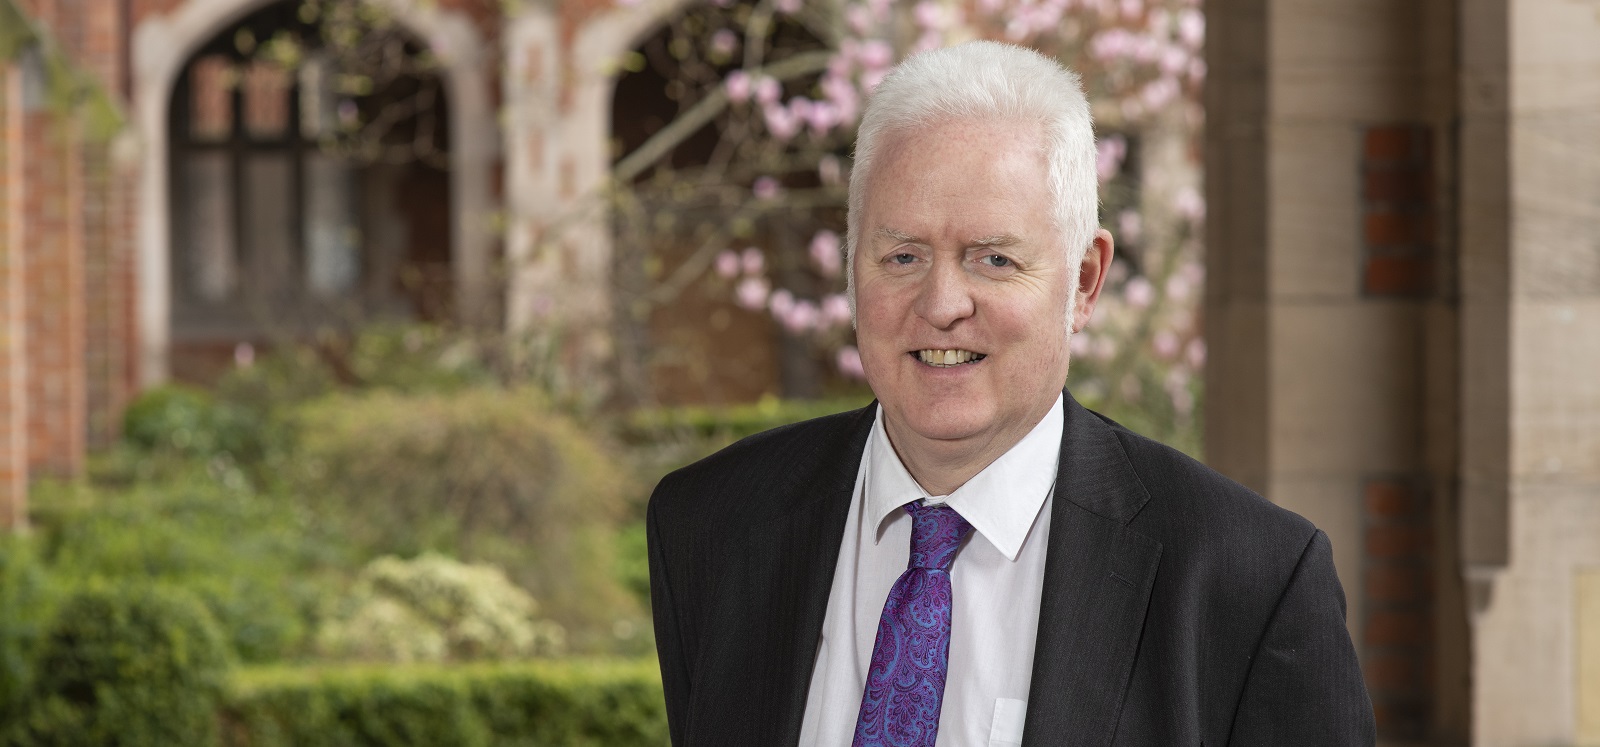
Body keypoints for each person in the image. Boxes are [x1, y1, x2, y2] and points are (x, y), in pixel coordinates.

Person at [648, 41, 1374, 746]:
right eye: (902, 255)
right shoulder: (709, 525)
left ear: (1084, 281)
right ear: (849, 266)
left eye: (993, 259)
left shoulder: (1249, 579)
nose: (941, 304)